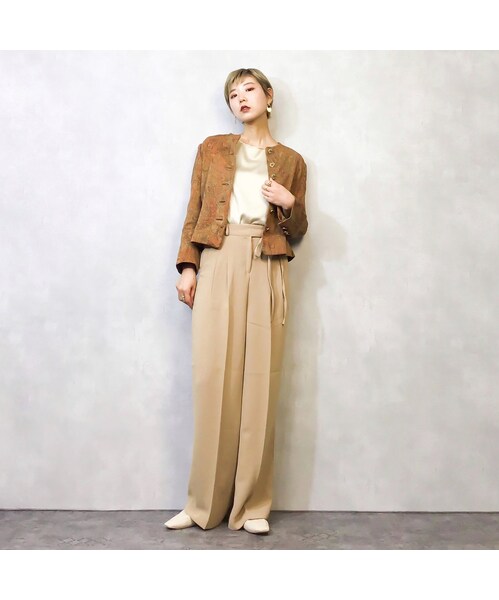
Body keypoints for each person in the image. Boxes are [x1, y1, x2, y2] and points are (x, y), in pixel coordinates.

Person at [165, 67, 308, 535]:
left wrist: (289, 203)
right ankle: (202, 505)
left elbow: (298, 231)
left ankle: (252, 506)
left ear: (268, 96)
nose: (240, 98)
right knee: (212, 379)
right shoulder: (212, 149)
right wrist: (188, 266)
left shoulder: (292, 161)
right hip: (219, 257)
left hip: (266, 262)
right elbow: (194, 210)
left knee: (260, 382)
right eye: (232, 94)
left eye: (248, 89)